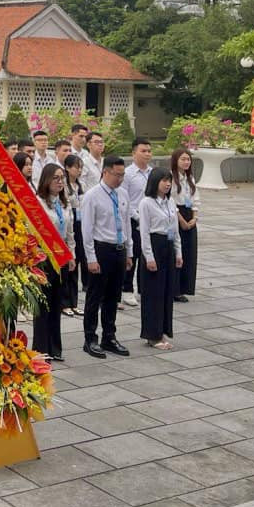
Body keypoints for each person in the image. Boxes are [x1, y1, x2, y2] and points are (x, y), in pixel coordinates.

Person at [79, 156, 132, 360]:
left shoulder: (123, 194)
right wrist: (91, 258)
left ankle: (109, 336)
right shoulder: (92, 196)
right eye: (117, 175)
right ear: (106, 172)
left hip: (119, 250)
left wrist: (129, 252)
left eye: (122, 175)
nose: (120, 179)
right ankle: (90, 338)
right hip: (101, 249)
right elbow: (87, 230)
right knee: (95, 296)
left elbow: (126, 224)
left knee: (113, 296)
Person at [32, 164, 75, 362]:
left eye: (62, 178)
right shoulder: (38, 202)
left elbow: (70, 233)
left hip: (61, 258)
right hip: (43, 259)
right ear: (46, 179)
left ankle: (55, 347)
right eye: (56, 178)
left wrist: (72, 255)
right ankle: (40, 348)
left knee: (57, 302)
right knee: (43, 305)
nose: (60, 182)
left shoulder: (64, 204)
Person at [138, 167, 182, 351]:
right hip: (154, 246)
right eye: (164, 180)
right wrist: (149, 256)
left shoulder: (170, 202)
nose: (167, 184)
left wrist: (178, 252)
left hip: (168, 246)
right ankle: (152, 334)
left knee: (166, 292)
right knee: (153, 293)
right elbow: (145, 232)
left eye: (169, 181)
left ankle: (163, 330)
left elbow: (175, 229)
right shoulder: (146, 203)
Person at [121, 138, 154, 307]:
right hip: (133, 220)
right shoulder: (127, 174)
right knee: (132, 254)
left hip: (151, 221)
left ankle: (144, 288)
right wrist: (137, 216)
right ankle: (127, 289)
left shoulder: (153, 173)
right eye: (143, 151)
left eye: (149, 151)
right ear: (134, 152)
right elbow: (125, 200)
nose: (147, 154)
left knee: (147, 254)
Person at [169, 148, 199, 301]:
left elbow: (195, 199)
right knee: (177, 253)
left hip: (189, 214)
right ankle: (174, 289)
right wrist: (181, 220)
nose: (186, 162)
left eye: (188, 159)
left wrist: (194, 217)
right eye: (183, 159)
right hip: (177, 215)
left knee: (189, 252)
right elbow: (171, 201)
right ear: (176, 160)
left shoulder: (190, 178)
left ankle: (185, 286)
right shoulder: (171, 178)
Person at [61, 154, 87, 316]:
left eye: (80, 167)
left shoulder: (81, 185)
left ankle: (74, 301)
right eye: (76, 167)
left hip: (81, 223)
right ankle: (65, 303)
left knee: (77, 261)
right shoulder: (63, 185)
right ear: (68, 168)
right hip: (69, 221)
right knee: (67, 265)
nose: (79, 170)